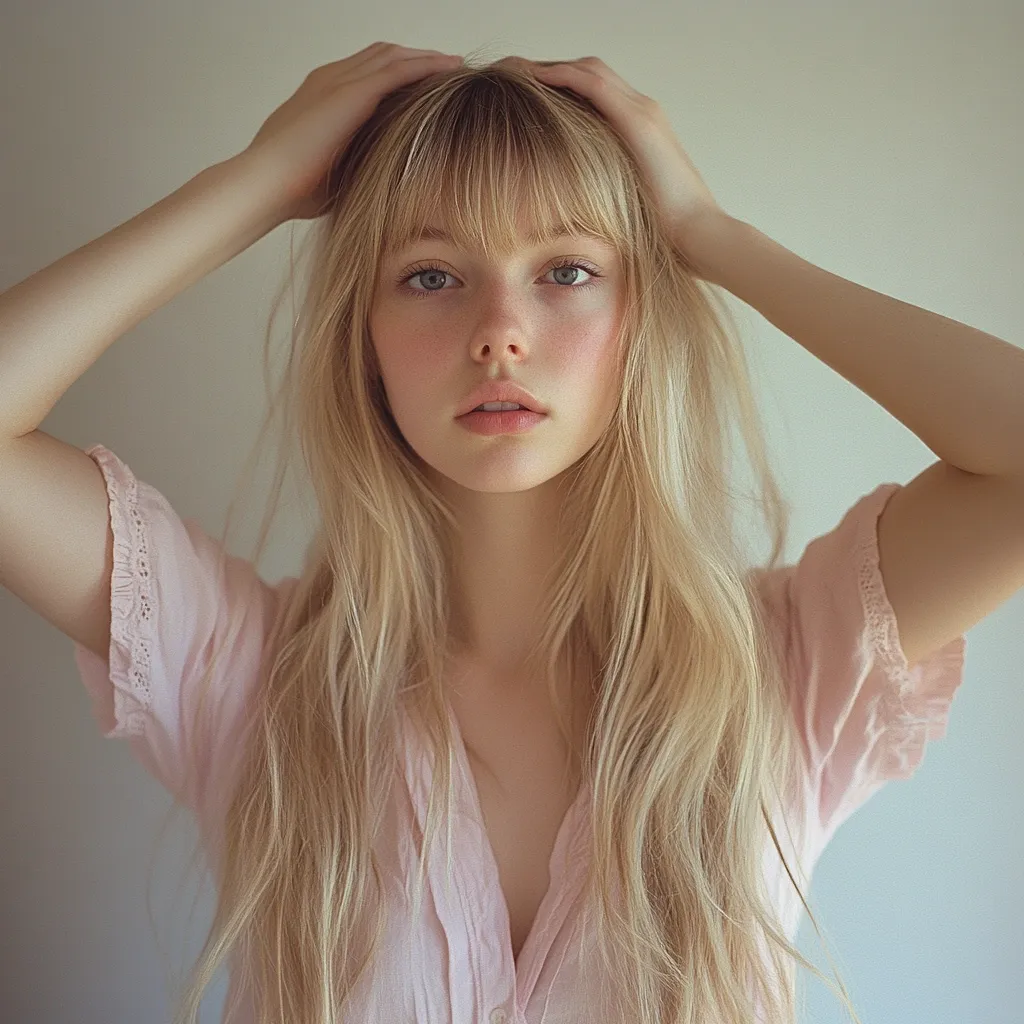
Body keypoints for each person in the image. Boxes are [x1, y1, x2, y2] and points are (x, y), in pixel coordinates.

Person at [11, 39, 1022, 1024]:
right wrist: (262, 179)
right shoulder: (249, 677)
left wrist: (706, 233)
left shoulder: (780, 669)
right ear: (361, 335)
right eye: (431, 275)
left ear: (640, 316)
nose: (499, 330)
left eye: (568, 271)